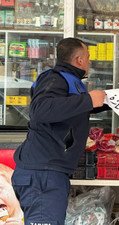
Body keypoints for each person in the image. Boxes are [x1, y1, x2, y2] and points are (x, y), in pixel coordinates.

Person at [11, 38, 106, 225]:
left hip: (49, 172)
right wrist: (88, 100)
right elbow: (40, 110)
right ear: (79, 60)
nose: (89, 61)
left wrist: (113, 101)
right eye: (87, 57)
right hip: (42, 174)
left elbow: (68, 110)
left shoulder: (73, 81)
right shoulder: (54, 77)